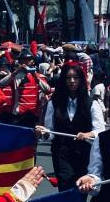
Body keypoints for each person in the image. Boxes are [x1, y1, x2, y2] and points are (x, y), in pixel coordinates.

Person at [36, 62, 103, 192]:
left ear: (81, 80)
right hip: (61, 152)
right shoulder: (54, 103)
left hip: (84, 153)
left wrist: (87, 135)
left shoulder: (92, 104)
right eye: (68, 78)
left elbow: (100, 130)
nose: (72, 81)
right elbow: (51, 131)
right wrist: (44, 132)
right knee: (65, 185)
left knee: (81, 187)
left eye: (76, 78)